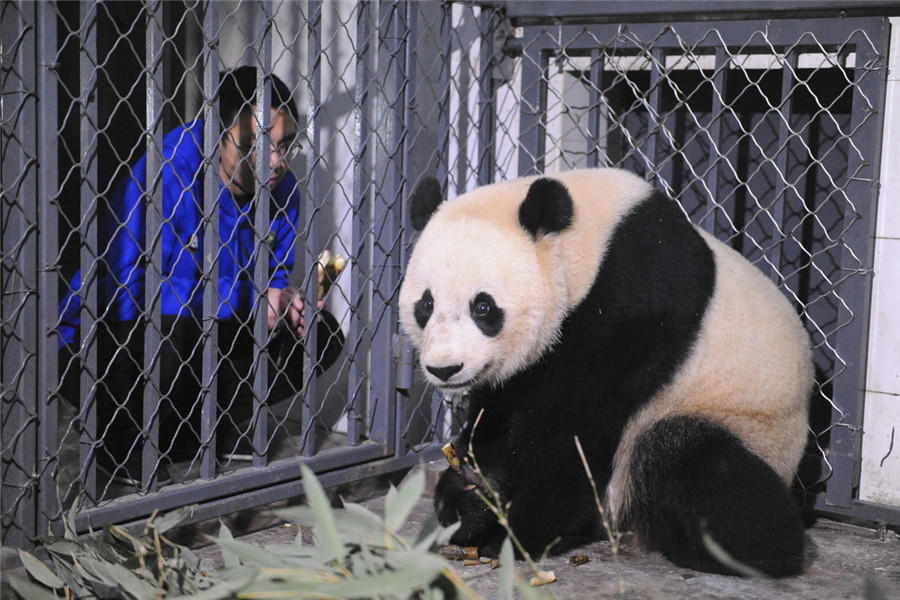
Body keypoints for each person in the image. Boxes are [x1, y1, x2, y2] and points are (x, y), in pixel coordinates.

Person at [58, 66, 343, 486]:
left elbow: (275, 278)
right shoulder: (166, 173)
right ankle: (119, 441)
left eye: (285, 146)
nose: (276, 163)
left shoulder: (284, 192)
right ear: (215, 134)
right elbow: (123, 292)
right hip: (104, 344)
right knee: (177, 319)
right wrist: (248, 301)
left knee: (323, 334)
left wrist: (287, 304)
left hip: (203, 339)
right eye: (255, 145)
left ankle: (204, 430)